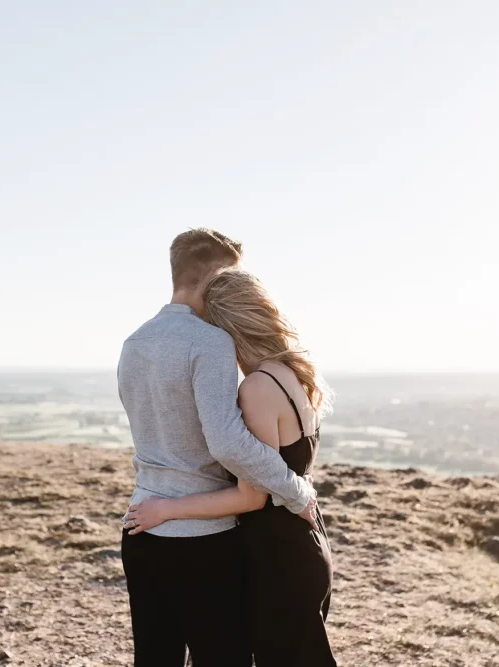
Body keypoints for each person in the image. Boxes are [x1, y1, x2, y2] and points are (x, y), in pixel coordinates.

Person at [117, 229, 319, 667]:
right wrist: (296, 490)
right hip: (202, 541)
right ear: (217, 276)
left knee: (155, 659)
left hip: (140, 528)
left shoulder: (133, 343)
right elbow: (228, 442)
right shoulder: (210, 342)